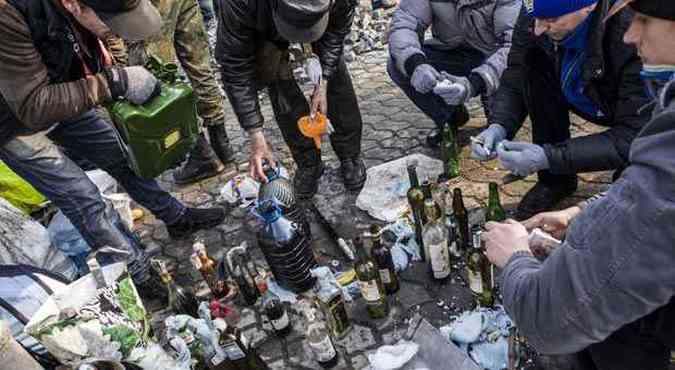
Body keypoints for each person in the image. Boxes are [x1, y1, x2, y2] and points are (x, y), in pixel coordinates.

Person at [481, 1, 675, 368]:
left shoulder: (621, 37)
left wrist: (516, 261)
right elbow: (517, 69)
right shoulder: (537, 15)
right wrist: (585, 210)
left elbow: (549, 320)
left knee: (615, 315)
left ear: (588, 9)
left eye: (646, 20)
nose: (635, 32)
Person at [0, 0, 226, 294]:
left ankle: (176, 217)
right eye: (111, 21)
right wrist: (111, 83)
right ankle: (139, 274)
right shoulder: (9, 14)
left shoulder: (75, 10)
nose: (116, 31)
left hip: (60, 91)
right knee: (84, 198)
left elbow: (82, 45)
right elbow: (33, 105)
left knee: (123, 155)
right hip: (15, 122)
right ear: (72, 5)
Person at [471, 0, 651, 220]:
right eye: (536, 18)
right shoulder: (535, 11)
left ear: (588, 7)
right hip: (580, 88)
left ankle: (632, 170)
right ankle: (556, 181)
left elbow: (633, 134)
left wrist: (549, 156)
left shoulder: (633, 33)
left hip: (630, 112)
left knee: (633, 189)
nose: (538, 28)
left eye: (551, 19)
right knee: (533, 62)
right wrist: (499, 125)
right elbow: (517, 72)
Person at [216, 0, 367, 199]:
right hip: (263, 22)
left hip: (322, 16)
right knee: (277, 77)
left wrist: (324, 80)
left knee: (333, 70)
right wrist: (255, 133)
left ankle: (350, 154)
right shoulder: (238, 5)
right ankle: (308, 161)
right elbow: (235, 68)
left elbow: (336, 31)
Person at [124, 0, 235, 185]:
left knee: (157, 75)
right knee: (199, 66)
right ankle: (224, 150)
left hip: (150, 6)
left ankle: (202, 153)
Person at [387, 0, 522, 147]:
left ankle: (490, 100)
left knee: (500, 125)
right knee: (398, 65)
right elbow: (405, 24)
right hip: (452, 53)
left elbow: (513, 46)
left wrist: (475, 83)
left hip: (493, 58)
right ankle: (450, 117)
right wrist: (416, 64)